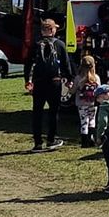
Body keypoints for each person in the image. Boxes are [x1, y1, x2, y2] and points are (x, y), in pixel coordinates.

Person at [24, 17, 72, 152]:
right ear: (52, 30)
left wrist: (28, 80)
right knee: (53, 111)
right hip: (54, 82)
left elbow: (28, 64)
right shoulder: (60, 44)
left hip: (39, 83)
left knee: (37, 112)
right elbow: (66, 64)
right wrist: (69, 79)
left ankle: (37, 143)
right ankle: (51, 139)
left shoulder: (35, 44)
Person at [73, 54, 101, 147]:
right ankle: (92, 139)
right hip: (93, 103)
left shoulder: (78, 78)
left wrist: (69, 88)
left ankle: (84, 142)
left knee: (84, 121)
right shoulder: (96, 78)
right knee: (92, 120)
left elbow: (73, 90)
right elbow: (99, 90)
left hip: (81, 103)